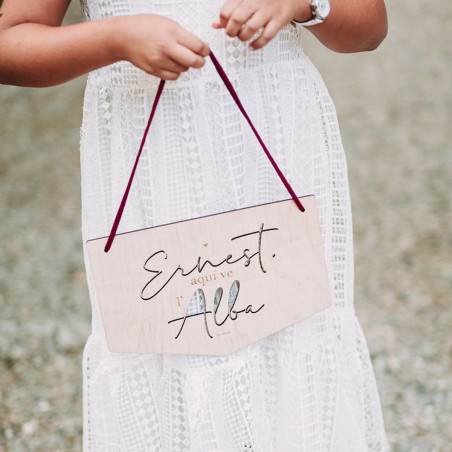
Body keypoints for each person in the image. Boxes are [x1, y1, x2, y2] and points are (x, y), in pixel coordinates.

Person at [0, 0, 389, 450]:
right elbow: (10, 41)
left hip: (272, 159)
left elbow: (369, 27)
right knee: (177, 354)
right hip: (157, 179)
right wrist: (116, 38)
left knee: (291, 342)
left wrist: (302, 3)